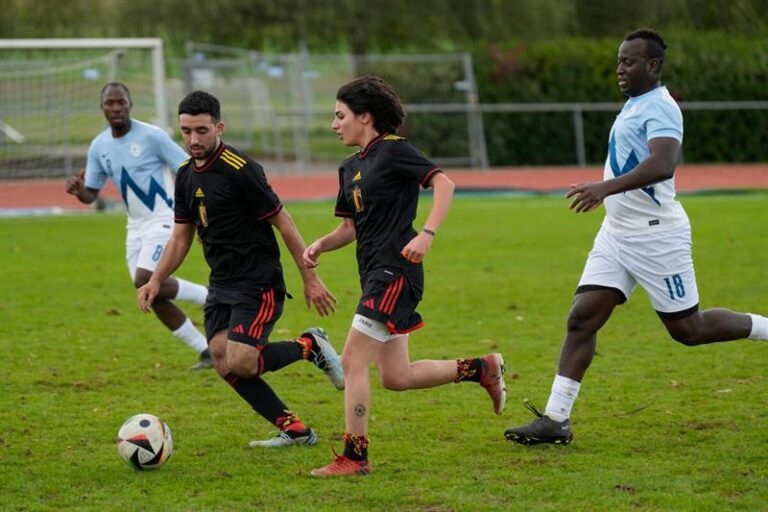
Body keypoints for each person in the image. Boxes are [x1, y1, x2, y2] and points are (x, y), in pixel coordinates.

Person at [503, 29, 768, 446]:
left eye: (629, 61)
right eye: (619, 62)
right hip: (617, 234)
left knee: (689, 329)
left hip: (656, 237)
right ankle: (556, 420)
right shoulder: (634, 104)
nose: (620, 69)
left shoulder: (661, 107)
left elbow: (663, 164)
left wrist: (604, 188)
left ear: (653, 65)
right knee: (581, 318)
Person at [304, 76, 507, 477]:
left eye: (339, 115)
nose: (334, 124)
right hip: (374, 275)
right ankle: (481, 368)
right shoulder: (349, 168)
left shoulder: (395, 152)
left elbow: (444, 184)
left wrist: (427, 235)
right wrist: (320, 246)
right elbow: (349, 229)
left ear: (365, 116)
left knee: (351, 360)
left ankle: (355, 456)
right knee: (397, 376)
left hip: (395, 273)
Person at [137, 90, 344, 447]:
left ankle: (310, 345)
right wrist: (156, 279)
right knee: (222, 361)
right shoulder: (185, 175)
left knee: (243, 361)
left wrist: (310, 277)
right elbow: (181, 239)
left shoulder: (241, 169)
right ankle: (294, 431)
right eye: (186, 131)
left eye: (201, 130)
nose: (193, 139)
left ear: (219, 126)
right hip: (221, 283)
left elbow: (284, 222)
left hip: (257, 282)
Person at [66, 82, 213, 370]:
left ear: (130, 104)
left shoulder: (152, 136)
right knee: (149, 293)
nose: (116, 107)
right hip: (135, 227)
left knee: (144, 280)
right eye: (110, 103)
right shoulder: (99, 146)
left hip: (166, 217)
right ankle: (205, 349)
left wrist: (196, 209)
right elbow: (91, 195)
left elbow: (188, 166)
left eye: (121, 102)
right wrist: (79, 189)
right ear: (102, 107)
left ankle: (208, 297)